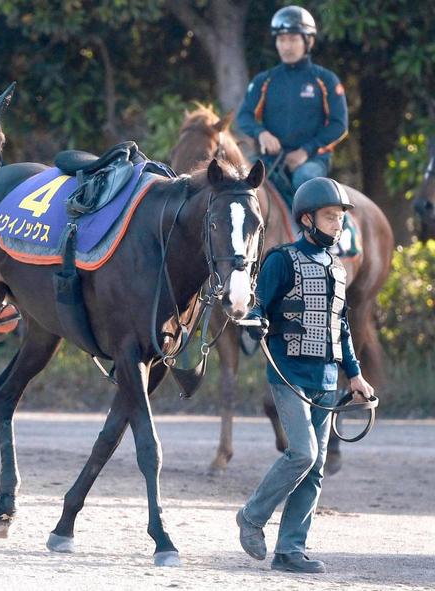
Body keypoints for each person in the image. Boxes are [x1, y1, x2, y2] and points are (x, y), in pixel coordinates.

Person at [235, 177, 375, 574]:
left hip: (327, 381)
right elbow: (259, 306)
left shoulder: (338, 268)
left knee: (315, 468)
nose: (338, 225)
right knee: (303, 452)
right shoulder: (281, 260)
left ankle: (289, 550)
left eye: (341, 218)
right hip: (288, 374)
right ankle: (251, 516)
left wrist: (356, 376)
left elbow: (341, 327)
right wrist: (256, 321)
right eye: (331, 217)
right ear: (308, 219)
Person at [236, 6, 348, 196]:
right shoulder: (264, 80)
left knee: (304, 179)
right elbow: (244, 116)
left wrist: (306, 151)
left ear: (309, 41)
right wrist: (261, 133)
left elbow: (339, 125)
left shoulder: (326, 80)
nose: (286, 46)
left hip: (312, 160)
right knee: (239, 185)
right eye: (281, 40)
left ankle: (327, 226)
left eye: (293, 39)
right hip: (271, 160)